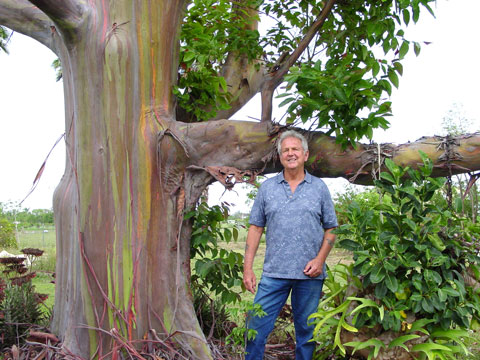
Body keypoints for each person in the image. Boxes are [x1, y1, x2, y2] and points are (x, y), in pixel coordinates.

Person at [243, 130, 338, 360]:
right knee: (255, 329)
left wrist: (320, 260)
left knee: (306, 334)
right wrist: (247, 268)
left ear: (305, 155)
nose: (290, 153)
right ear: (280, 156)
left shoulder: (319, 188)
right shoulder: (267, 188)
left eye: (295, 149)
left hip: (310, 275)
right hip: (274, 274)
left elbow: (331, 229)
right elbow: (255, 228)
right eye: (286, 150)